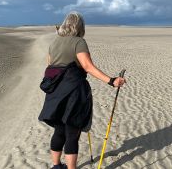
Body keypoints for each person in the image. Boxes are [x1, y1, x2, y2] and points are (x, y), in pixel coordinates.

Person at [38, 12, 126, 169]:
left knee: (59, 130)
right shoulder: (79, 42)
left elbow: (50, 65)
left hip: (55, 92)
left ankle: (56, 166)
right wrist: (111, 81)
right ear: (80, 27)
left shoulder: (54, 42)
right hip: (73, 92)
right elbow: (87, 66)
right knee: (72, 133)